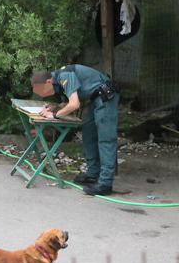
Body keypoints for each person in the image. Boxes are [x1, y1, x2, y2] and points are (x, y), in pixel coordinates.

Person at [30, 64, 119, 196]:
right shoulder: (58, 80)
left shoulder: (65, 76)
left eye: (41, 91)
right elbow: (72, 100)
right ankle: (93, 174)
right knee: (88, 135)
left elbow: (75, 104)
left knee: (106, 139)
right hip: (95, 99)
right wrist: (54, 108)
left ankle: (105, 183)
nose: (42, 95)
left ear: (48, 82)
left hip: (105, 96)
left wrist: (54, 115)